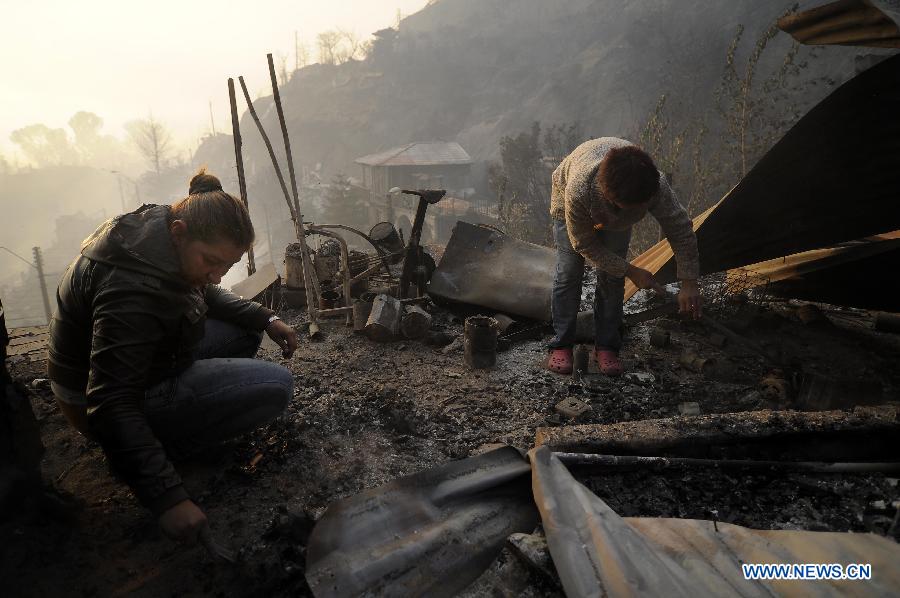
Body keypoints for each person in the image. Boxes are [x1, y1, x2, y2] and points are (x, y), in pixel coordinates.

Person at [48, 169, 298, 545]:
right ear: (180, 232)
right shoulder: (132, 291)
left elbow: (204, 293)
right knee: (277, 387)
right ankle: (157, 450)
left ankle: (177, 413)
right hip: (92, 397)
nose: (216, 277)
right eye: (211, 262)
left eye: (226, 267)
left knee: (246, 329)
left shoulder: (160, 233)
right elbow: (111, 399)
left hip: (145, 358)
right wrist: (167, 498)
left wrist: (266, 317)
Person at [548, 138, 701, 375]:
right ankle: (561, 343)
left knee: (612, 277)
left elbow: (681, 229)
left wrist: (689, 282)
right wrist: (632, 270)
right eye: (626, 207)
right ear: (610, 197)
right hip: (569, 198)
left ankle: (607, 345)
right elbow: (583, 243)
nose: (632, 212)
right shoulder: (579, 187)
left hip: (614, 213)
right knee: (569, 273)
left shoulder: (654, 185)